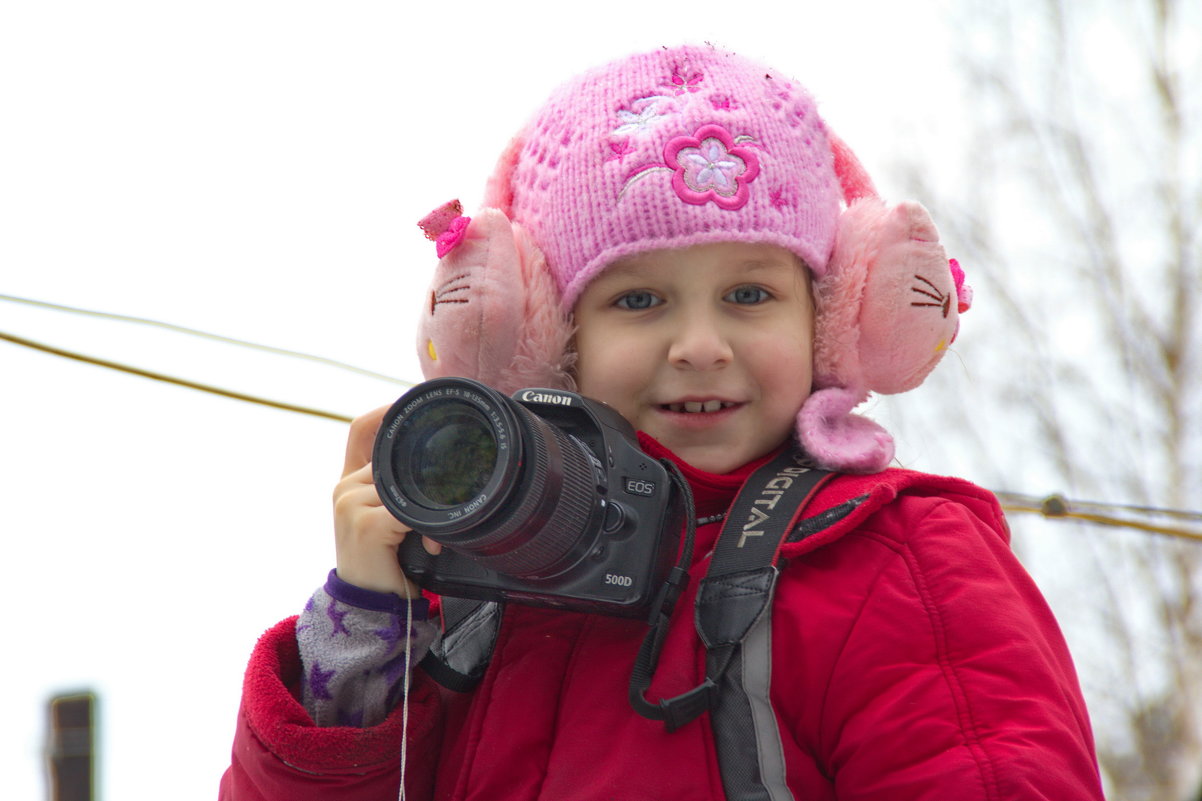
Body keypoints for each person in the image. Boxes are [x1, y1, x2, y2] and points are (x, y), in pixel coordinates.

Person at [220, 45, 1106, 800]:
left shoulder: (901, 560)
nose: (699, 345)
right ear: (548, 339)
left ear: (836, 317)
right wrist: (366, 625)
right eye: (638, 300)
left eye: (750, 294)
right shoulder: (471, 591)